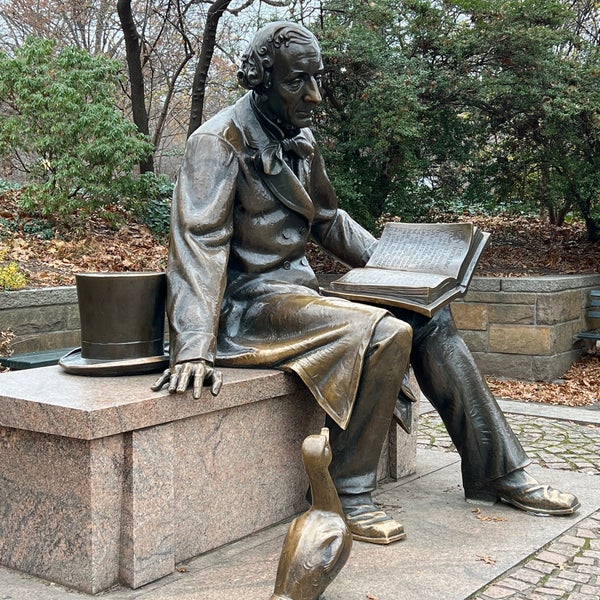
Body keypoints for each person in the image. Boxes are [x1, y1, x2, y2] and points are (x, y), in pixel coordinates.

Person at [152, 21, 579, 544]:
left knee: (429, 318)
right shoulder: (216, 143)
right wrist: (192, 347)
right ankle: (343, 492)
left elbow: (328, 219)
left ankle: (497, 471)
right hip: (245, 307)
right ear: (259, 81)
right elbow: (199, 245)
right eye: (296, 82)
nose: (314, 95)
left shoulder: (300, 136)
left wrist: (402, 270)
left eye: (318, 79)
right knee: (384, 334)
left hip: (297, 294)